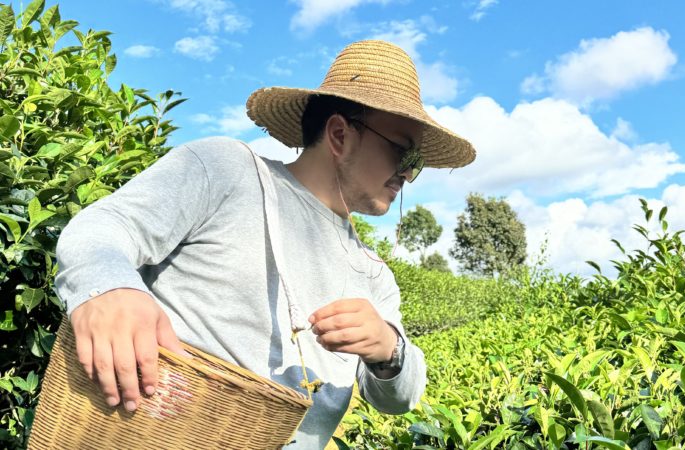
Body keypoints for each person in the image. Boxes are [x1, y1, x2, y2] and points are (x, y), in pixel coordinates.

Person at [54, 39, 476, 448]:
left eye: (416, 164)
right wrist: (109, 289)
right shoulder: (228, 171)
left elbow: (398, 398)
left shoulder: (374, 275)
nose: (407, 173)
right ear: (339, 134)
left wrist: (389, 349)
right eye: (403, 153)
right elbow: (103, 229)